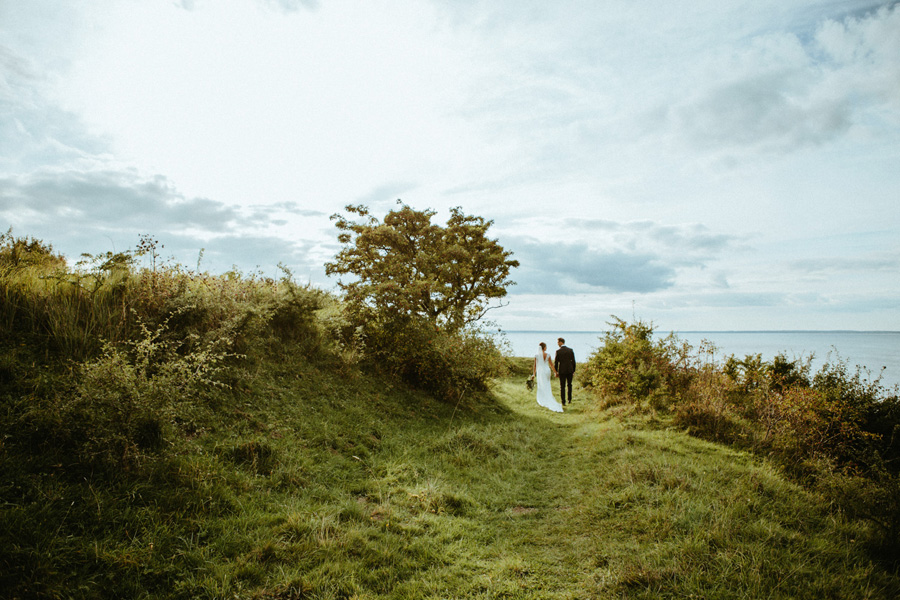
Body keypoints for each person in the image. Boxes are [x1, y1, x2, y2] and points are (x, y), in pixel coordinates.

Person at [533, 342, 564, 413]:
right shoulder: (548, 355)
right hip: (547, 370)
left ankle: (543, 398)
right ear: (544, 347)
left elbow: (535, 366)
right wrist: (555, 372)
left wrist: (533, 374)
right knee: (547, 384)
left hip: (540, 371)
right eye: (545, 347)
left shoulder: (537, 356)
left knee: (541, 384)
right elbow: (551, 365)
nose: (546, 348)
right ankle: (548, 397)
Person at [554, 337, 576, 406]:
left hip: (562, 371)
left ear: (561, 342)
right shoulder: (570, 350)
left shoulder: (558, 351)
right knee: (569, 385)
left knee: (562, 386)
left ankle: (563, 401)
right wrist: (573, 370)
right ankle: (569, 399)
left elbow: (556, 362)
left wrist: (556, 372)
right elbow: (573, 361)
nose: (557, 343)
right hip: (569, 370)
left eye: (558, 342)